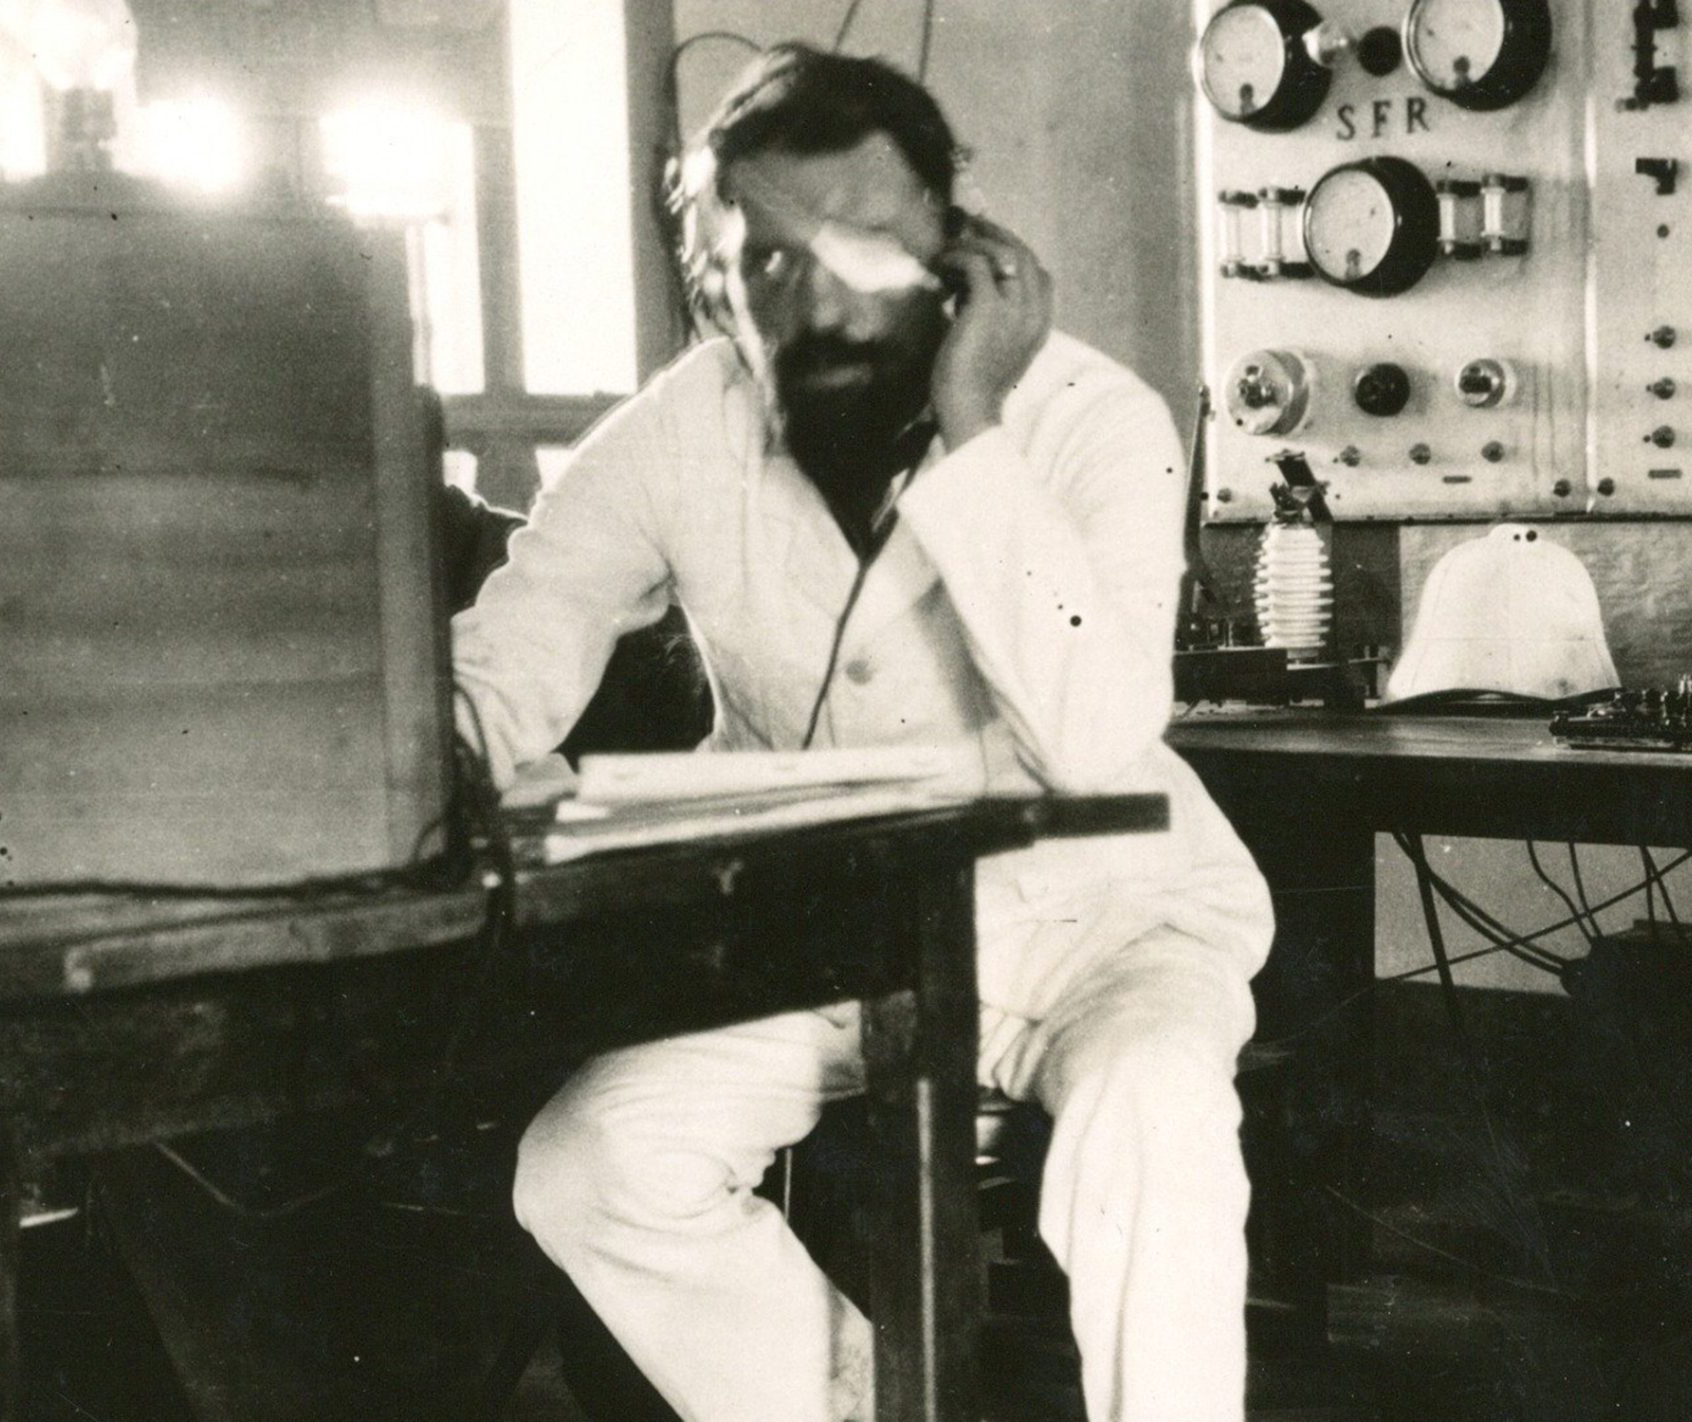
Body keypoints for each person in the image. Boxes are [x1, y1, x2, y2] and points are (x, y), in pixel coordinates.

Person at [449, 41, 1274, 1422]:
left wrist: (971, 433)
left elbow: (1099, 733)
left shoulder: (1089, 421)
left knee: (1156, 1117)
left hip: (1108, 928)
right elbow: (509, 663)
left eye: (871, 248)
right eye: (769, 261)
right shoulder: (677, 431)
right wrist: (413, 768)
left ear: (963, 256)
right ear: (712, 274)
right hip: (839, 942)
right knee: (589, 1162)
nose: (822, 299)